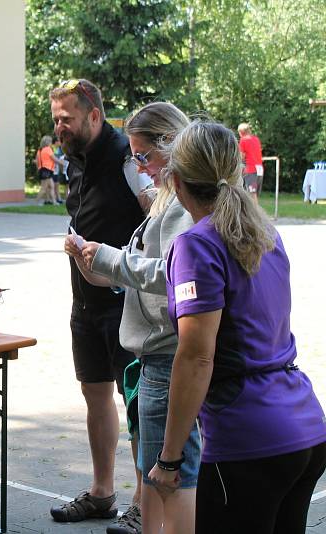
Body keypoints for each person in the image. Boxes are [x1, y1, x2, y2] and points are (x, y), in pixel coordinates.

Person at [148, 121, 326, 534]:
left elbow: (196, 355)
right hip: (304, 427)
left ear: (175, 181)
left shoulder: (195, 244)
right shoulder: (265, 232)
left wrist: (170, 457)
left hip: (250, 440)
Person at [69, 102, 200, 534]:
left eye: (144, 156)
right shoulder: (167, 199)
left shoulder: (181, 205)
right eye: (134, 157)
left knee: (168, 479)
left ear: (172, 145)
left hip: (166, 352)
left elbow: (175, 273)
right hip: (153, 353)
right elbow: (150, 269)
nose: (140, 168)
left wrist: (110, 260)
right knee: (154, 476)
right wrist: (106, 273)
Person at [49, 79, 149, 533]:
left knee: (137, 405)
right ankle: (102, 491)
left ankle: (144, 503)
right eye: (56, 119)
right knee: (95, 395)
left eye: (66, 119)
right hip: (84, 303)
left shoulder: (129, 157)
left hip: (128, 305)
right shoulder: (75, 158)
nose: (59, 127)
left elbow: (160, 214)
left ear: (93, 115)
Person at [237, 122, 263, 202]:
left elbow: (241, 156)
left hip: (250, 169)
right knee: (255, 193)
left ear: (241, 132)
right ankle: (254, 212)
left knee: (251, 193)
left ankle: (254, 213)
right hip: (259, 169)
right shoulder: (256, 139)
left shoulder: (243, 140)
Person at [35, 135, 60, 205]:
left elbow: (37, 161)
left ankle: (54, 202)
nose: (51, 143)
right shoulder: (48, 149)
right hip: (47, 170)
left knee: (51, 186)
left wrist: (38, 169)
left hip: (42, 170)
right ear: (47, 142)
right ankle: (37, 202)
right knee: (44, 188)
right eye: (50, 141)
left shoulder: (40, 150)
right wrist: (63, 162)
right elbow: (54, 159)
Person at [52, 136, 68, 203]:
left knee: (56, 184)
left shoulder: (58, 148)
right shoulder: (52, 148)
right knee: (53, 185)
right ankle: (55, 199)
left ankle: (58, 199)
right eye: (59, 141)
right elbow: (54, 158)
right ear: (56, 142)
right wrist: (63, 163)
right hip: (52, 169)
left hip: (56, 169)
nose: (60, 142)